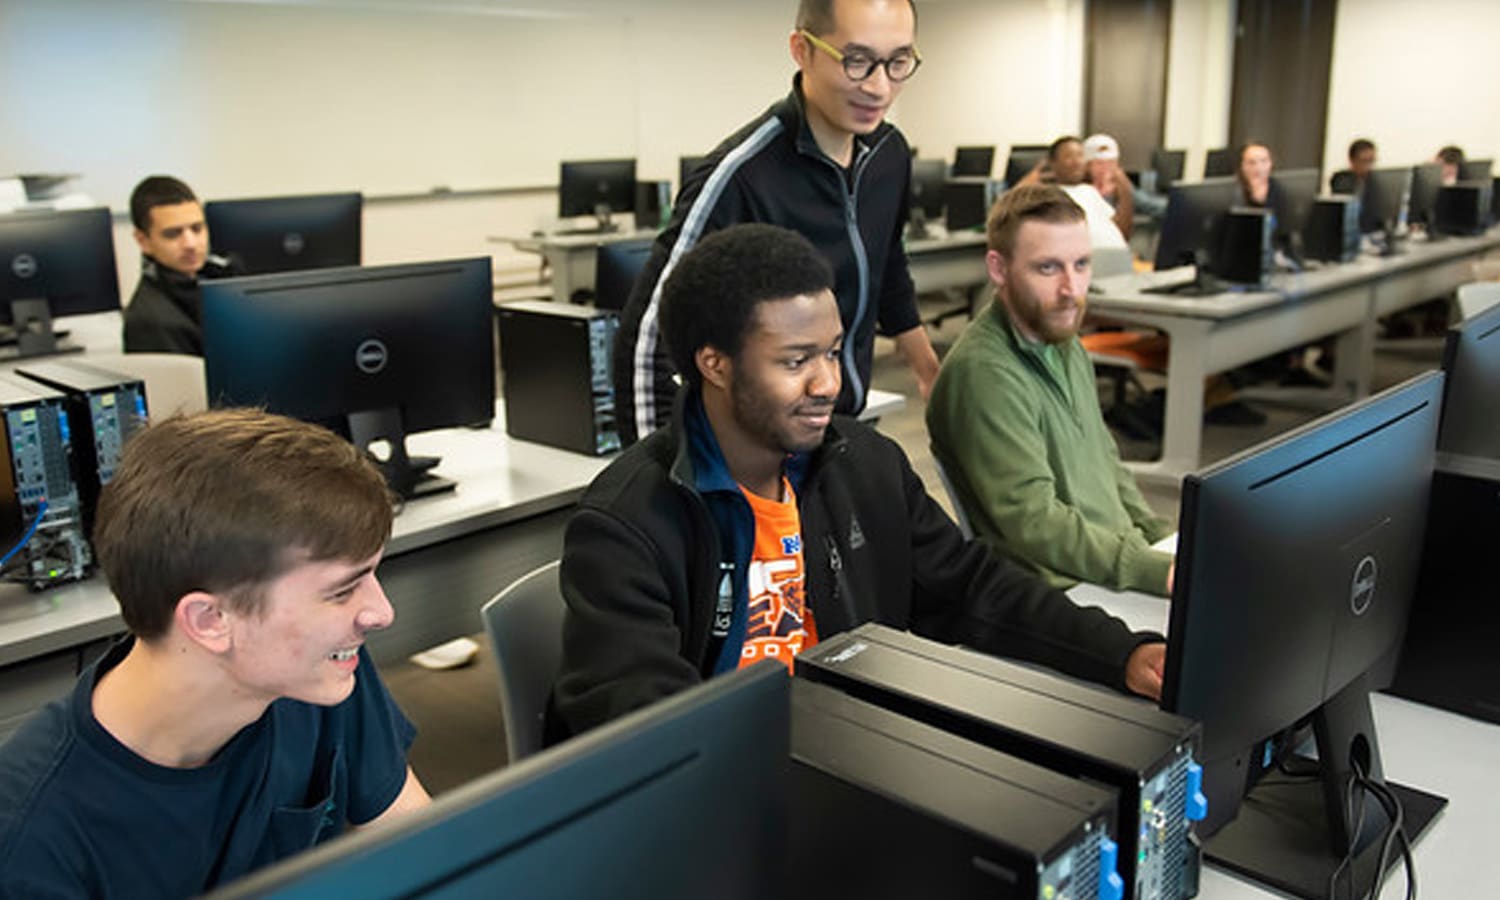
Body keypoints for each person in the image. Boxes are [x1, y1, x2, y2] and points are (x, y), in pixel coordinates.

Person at [549, 223, 1166, 740]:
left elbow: (972, 588)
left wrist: (1121, 653)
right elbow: (648, 727)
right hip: (735, 787)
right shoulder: (630, 524)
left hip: (861, 747)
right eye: (796, 361)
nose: (828, 382)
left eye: (833, 351)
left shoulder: (861, 464)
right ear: (714, 364)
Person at [0, 410, 429, 898]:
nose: (380, 612)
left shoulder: (321, 673)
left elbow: (426, 848)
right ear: (210, 621)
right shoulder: (30, 846)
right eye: (341, 592)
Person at [612, 0, 941, 447]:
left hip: (842, 426)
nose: (880, 86)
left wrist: (929, 371)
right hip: (762, 444)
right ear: (802, 50)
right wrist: (660, 490)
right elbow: (646, 345)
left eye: (899, 62)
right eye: (857, 61)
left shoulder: (889, 153)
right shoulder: (741, 175)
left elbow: (886, 265)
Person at [927, 185, 1175, 597]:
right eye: (1048, 268)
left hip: (1106, 566)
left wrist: (1157, 537)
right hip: (1061, 589)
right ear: (999, 269)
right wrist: (1147, 569)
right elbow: (1033, 521)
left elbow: (1106, 463)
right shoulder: (984, 374)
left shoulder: (1063, 342)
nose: (1071, 289)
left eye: (1081, 265)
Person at [122, 175, 238, 355]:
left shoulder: (218, 276)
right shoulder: (151, 322)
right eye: (173, 234)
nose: (190, 244)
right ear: (143, 241)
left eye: (197, 228)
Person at [1330, 138, 1382, 234]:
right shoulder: (1342, 180)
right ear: (1352, 161)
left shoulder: (1376, 182)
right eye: (1365, 161)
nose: (1370, 166)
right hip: (1349, 233)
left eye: (1372, 161)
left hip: (1372, 233)